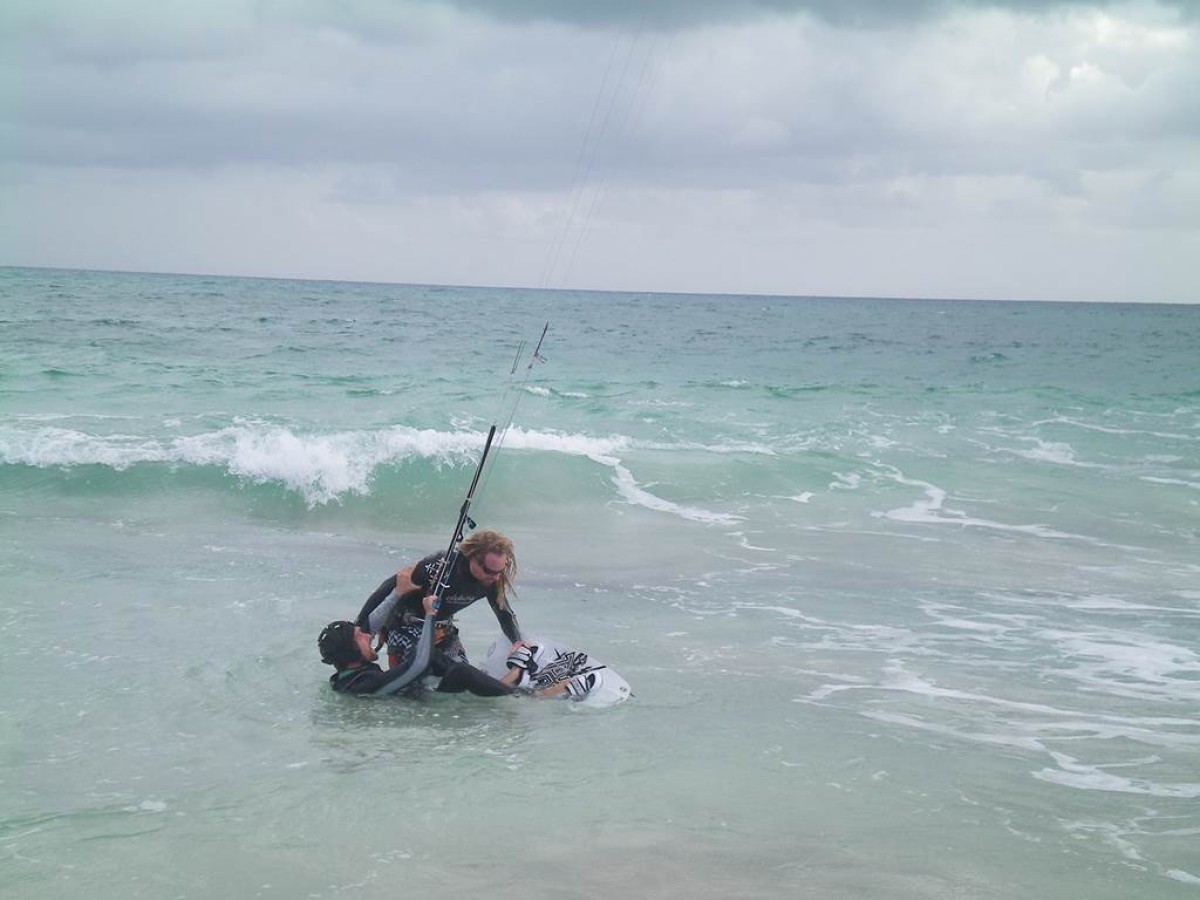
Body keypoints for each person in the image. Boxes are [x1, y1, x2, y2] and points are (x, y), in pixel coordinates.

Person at [317, 604, 593, 699]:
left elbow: (418, 665)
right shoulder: (361, 685)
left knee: (436, 657)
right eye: (360, 636)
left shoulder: (349, 676)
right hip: (424, 707)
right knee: (458, 671)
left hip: (420, 692)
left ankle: (508, 681)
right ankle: (538, 695)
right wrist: (428, 617)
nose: (368, 633)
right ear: (350, 650)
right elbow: (414, 667)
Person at [354, 530, 521, 673]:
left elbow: (503, 612)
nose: (495, 577)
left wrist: (517, 641)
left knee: (461, 678)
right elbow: (391, 586)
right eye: (489, 571)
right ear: (472, 557)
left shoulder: (492, 579)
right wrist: (361, 627)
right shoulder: (441, 565)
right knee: (416, 690)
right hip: (405, 627)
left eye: (500, 571)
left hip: (442, 630)